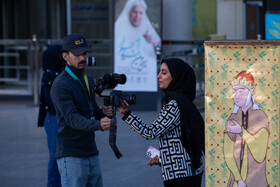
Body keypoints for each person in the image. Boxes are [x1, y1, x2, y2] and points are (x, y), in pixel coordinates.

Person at [117, 58, 204, 187]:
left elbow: (150, 132)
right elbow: (181, 140)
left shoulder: (174, 104)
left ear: (176, 77)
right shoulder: (184, 101)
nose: (158, 76)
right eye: (159, 72)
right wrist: (163, 157)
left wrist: (126, 114)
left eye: (164, 72)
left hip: (181, 176)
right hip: (189, 171)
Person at [50, 33, 112, 187]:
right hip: (71, 155)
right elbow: (72, 118)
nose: (82, 58)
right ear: (65, 56)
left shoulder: (88, 79)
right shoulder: (60, 85)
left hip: (91, 152)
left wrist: (103, 113)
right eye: (77, 54)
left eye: (84, 53)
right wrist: (99, 125)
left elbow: (91, 110)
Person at [224, 71, 269, 187]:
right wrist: (238, 180)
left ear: (250, 93)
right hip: (236, 182)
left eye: (241, 91)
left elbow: (260, 154)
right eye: (235, 91)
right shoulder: (232, 119)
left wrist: (241, 131)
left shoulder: (260, 117)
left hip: (256, 180)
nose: (237, 96)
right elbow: (227, 153)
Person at [114, 0, 161, 91]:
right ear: (128, 12)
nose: (137, 17)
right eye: (134, 12)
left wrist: (155, 43)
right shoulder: (118, 28)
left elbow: (159, 48)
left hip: (146, 84)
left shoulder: (147, 29)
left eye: (140, 13)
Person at [38, 44, 64, 187]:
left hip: (52, 118)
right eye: (61, 55)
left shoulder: (51, 73)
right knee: (55, 155)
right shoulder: (51, 75)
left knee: (58, 154)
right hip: (54, 118)